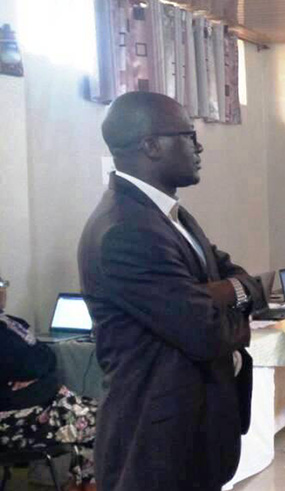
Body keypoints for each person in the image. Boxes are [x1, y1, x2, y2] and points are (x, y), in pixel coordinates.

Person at [77, 92, 265, 491]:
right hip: (157, 444)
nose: (199, 147)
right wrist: (232, 300)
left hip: (193, 435)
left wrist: (224, 292)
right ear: (151, 145)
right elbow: (204, 332)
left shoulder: (168, 216)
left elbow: (240, 276)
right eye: (188, 135)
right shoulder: (126, 230)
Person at [0, 274, 97, 491]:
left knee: (102, 413)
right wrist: (36, 373)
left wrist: (35, 374)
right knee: (96, 421)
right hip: (13, 419)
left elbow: (45, 358)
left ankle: (81, 484)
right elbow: (28, 365)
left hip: (38, 405)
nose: (1, 291)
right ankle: (83, 485)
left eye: (2, 284)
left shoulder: (13, 324)